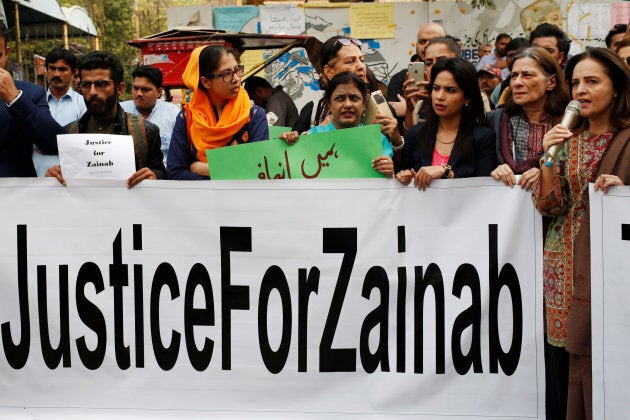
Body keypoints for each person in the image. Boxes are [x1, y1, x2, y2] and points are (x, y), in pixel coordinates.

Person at [533, 47, 630, 420]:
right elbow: (549, 205)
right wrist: (548, 158)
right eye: (575, 83)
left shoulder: (627, 140)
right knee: (563, 361)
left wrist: (623, 192)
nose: (581, 91)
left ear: (617, 88)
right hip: (563, 270)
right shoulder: (566, 141)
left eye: (592, 81)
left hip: (612, 271)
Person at [45, 51, 166, 188]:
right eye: (85, 85)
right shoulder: (70, 132)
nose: (92, 92)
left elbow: (161, 173)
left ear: (119, 88)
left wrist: (154, 176)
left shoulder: (145, 131)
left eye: (101, 84)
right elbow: (68, 175)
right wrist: (55, 175)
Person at [167, 45, 268, 180]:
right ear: (206, 82)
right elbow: (175, 173)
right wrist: (229, 173)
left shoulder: (254, 115)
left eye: (237, 70)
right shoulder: (187, 117)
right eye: (226, 74)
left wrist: (204, 168)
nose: (237, 79)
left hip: (243, 199)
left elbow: (258, 169)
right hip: (202, 199)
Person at [395, 57, 496, 190]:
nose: (439, 96)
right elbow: (403, 174)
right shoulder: (416, 134)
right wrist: (404, 176)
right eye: (436, 88)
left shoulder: (483, 138)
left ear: (468, 97)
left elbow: (485, 189)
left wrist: (446, 173)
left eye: (450, 90)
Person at [278, 72, 402, 178]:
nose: (348, 104)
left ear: (364, 104)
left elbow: (386, 186)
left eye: (354, 98)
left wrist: (389, 173)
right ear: (329, 104)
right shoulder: (313, 137)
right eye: (340, 98)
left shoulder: (377, 140)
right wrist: (288, 145)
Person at [489, 46, 569, 190]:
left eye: (527, 75)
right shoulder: (496, 121)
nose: (517, 82)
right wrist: (494, 172)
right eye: (514, 75)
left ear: (551, 83)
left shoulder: (568, 124)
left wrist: (546, 174)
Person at [0, 32, 64, 177]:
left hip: (15, 193)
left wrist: (14, 97)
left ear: (6, 53)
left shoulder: (30, 93)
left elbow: (53, 143)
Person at [32, 47, 86, 176]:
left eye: (62, 69)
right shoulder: (34, 102)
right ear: (46, 70)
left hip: (71, 176)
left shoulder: (83, 104)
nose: (56, 74)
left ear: (74, 73)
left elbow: (84, 143)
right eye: (52, 68)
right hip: (36, 177)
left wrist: (50, 148)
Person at [120, 65, 180, 165]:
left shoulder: (173, 113)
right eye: (135, 88)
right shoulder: (120, 110)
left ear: (159, 92)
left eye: (145, 89)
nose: (139, 93)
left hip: (164, 175)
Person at [387, 23, 446, 120]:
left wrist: (412, 110)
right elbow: (392, 117)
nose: (427, 45)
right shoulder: (400, 79)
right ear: (416, 45)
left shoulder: (456, 77)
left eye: (433, 41)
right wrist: (410, 109)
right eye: (422, 41)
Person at [314, 35, 368, 125]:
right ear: (329, 71)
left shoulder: (382, 107)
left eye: (362, 60)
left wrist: (397, 137)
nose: (361, 66)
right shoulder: (313, 110)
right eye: (350, 61)